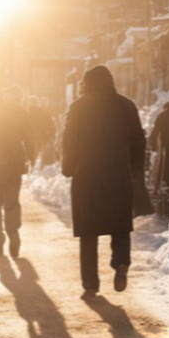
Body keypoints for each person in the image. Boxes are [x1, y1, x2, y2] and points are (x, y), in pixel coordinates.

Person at [61, 65, 145, 298]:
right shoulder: (126, 105)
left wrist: (68, 166)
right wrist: (136, 170)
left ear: (87, 83)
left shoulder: (79, 106)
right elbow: (138, 139)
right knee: (120, 225)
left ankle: (90, 285)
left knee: (88, 233)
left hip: (87, 176)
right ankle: (121, 262)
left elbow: (69, 139)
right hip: (117, 174)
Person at [0, 87, 35, 257]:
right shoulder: (22, 113)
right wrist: (31, 157)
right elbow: (29, 138)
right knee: (12, 203)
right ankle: (14, 234)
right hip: (13, 165)